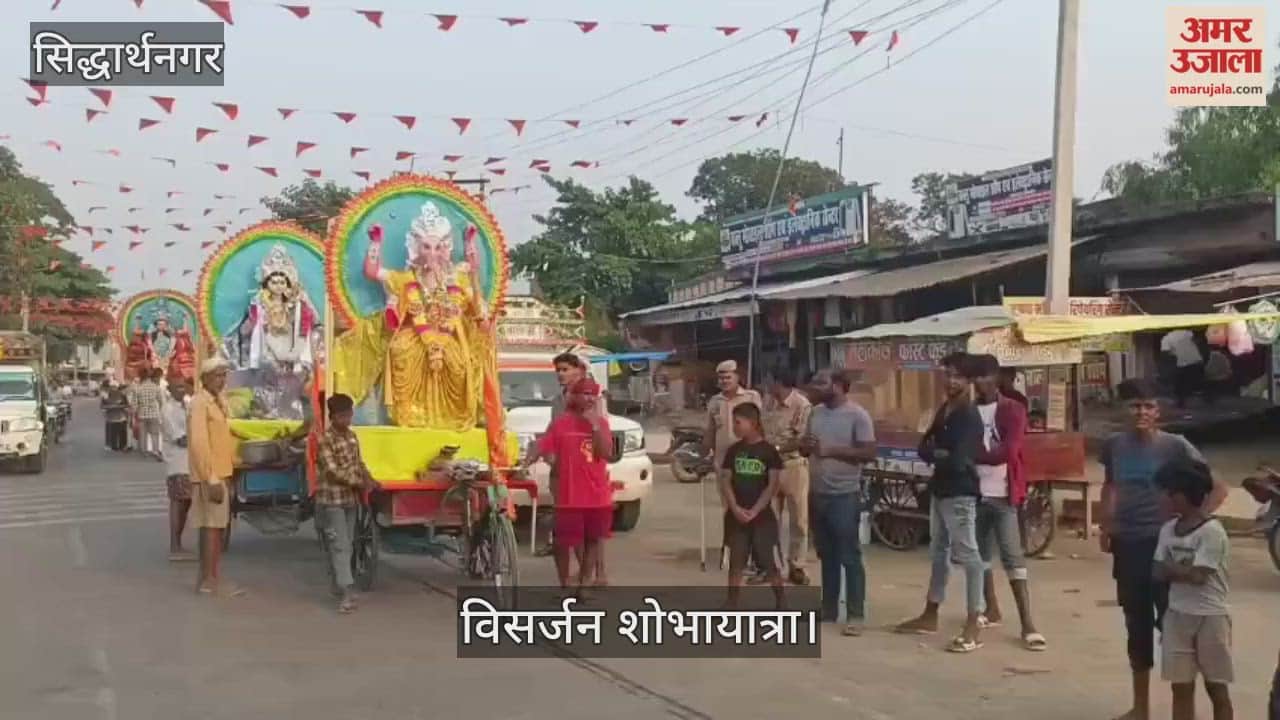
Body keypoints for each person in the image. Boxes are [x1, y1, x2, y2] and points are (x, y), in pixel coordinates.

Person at [1100, 378, 1227, 720]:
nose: (1141, 412)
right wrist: (1106, 523)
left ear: (1158, 411)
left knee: (1175, 629)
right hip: (1128, 545)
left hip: (1167, 550)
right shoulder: (1114, 446)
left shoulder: (1176, 446)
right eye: (1134, 406)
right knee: (1135, 625)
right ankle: (1140, 709)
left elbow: (1217, 488)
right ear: (1123, 410)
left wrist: (1192, 527)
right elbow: (1110, 485)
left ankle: (1184, 709)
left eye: (1148, 406)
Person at [896, 353, 987, 653]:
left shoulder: (968, 415)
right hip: (941, 489)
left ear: (969, 380)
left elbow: (960, 459)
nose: (951, 381)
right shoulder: (946, 409)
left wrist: (939, 454)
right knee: (938, 552)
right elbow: (924, 446)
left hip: (959, 491)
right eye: (948, 374)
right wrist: (939, 454)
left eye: (957, 376)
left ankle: (974, 621)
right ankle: (930, 613)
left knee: (969, 556)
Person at [970, 354, 1045, 651]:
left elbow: (1009, 451)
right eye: (976, 377)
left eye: (985, 376)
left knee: (1013, 558)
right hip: (975, 492)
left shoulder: (1012, 408)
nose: (980, 382)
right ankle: (991, 609)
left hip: (1003, 493)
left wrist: (973, 454)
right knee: (980, 556)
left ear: (996, 377)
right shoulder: (969, 410)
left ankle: (1028, 624)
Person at [1151, 459, 1232, 720]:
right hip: (1177, 615)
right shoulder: (1167, 529)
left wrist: (1172, 569)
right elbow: (1156, 571)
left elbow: (1199, 575)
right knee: (1181, 688)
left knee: (1216, 687)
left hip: (1211, 617)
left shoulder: (1212, 532)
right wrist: (1182, 570)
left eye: (1170, 492)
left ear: (1186, 495)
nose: (1165, 497)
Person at [801, 368, 877, 636]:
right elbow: (806, 448)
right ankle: (829, 608)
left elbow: (869, 452)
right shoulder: (816, 413)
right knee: (827, 554)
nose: (815, 388)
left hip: (844, 494)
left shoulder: (857, 415)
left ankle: (856, 613)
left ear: (838, 386)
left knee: (849, 555)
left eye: (821, 383)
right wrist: (805, 445)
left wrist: (831, 450)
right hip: (818, 492)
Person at [523, 377, 612, 592]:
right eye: (585, 394)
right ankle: (564, 585)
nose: (590, 398)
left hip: (596, 495)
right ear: (574, 397)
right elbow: (542, 445)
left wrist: (594, 426)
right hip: (569, 496)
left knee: (592, 541)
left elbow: (605, 453)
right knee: (563, 543)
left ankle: (583, 585)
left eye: (593, 394)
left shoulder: (602, 424)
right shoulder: (561, 423)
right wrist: (526, 461)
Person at [316, 393, 379, 614]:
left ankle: (338, 583)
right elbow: (332, 471)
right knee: (341, 545)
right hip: (331, 500)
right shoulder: (325, 440)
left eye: (349, 415)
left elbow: (358, 463)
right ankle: (346, 593)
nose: (347, 419)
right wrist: (358, 482)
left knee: (348, 544)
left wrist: (369, 478)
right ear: (332, 417)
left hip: (350, 500)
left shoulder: (352, 437)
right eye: (342, 416)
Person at [719, 403, 785, 609]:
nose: (735, 427)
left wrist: (755, 510)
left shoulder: (768, 452)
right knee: (736, 560)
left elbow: (772, 485)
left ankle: (781, 602)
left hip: (762, 517)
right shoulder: (733, 451)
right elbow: (726, 481)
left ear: (753, 423)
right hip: (736, 516)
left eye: (738, 422)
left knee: (768, 561)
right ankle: (731, 602)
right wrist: (735, 508)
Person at [188, 357, 243, 598]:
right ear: (206, 378)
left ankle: (208, 577)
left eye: (224, 376)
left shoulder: (217, 402)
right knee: (212, 528)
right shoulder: (200, 403)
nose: (222, 381)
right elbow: (199, 443)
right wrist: (210, 477)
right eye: (218, 376)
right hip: (211, 474)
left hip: (222, 470)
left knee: (215, 528)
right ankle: (210, 580)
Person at [537, 352, 588, 557]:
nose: (560, 374)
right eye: (557, 370)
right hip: (560, 468)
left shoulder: (588, 396)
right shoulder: (558, 400)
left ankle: (594, 572)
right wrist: (546, 451)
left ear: (578, 370)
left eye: (565, 369)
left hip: (583, 467)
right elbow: (552, 431)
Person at [764, 372, 812, 586]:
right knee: (770, 519)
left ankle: (797, 566)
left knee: (799, 520)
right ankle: (773, 566)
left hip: (793, 465)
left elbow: (802, 440)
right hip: (770, 467)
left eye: (769, 380)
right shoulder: (767, 402)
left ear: (779, 382)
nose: (766, 385)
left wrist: (775, 449)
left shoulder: (802, 405)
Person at [703, 360, 763, 483]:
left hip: (747, 459)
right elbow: (710, 430)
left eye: (728, 377)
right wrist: (706, 453)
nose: (724, 381)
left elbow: (760, 426)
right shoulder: (715, 401)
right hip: (723, 461)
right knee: (726, 499)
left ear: (737, 377)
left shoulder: (751, 397)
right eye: (721, 378)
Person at [160, 380, 194, 561]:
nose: (181, 389)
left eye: (183, 386)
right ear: (170, 389)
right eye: (177, 386)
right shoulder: (168, 410)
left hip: (189, 463)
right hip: (177, 463)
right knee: (178, 503)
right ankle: (175, 545)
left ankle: (178, 542)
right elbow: (180, 438)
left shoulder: (186, 405)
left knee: (186, 503)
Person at [1161, 329, 1204, 409]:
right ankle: (1195, 397)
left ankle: (1182, 401)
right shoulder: (1186, 332)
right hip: (1196, 360)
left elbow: (1165, 353)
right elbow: (1197, 339)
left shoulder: (1166, 339)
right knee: (1191, 382)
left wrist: (1173, 353)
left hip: (1183, 363)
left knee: (1180, 383)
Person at [102, 382, 130, 452]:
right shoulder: (106, 395)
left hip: (119, 417)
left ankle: (121, 446)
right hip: (114, 417)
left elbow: (126, 405)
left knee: (120, 432)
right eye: (112, 387)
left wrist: (117, 406)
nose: (113, 388)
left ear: (117, 387)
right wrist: (113, 406)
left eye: (115, 387)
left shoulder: (121, 395)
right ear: (110, 387)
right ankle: (115, 446)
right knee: (114, 433)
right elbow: (102, 406)